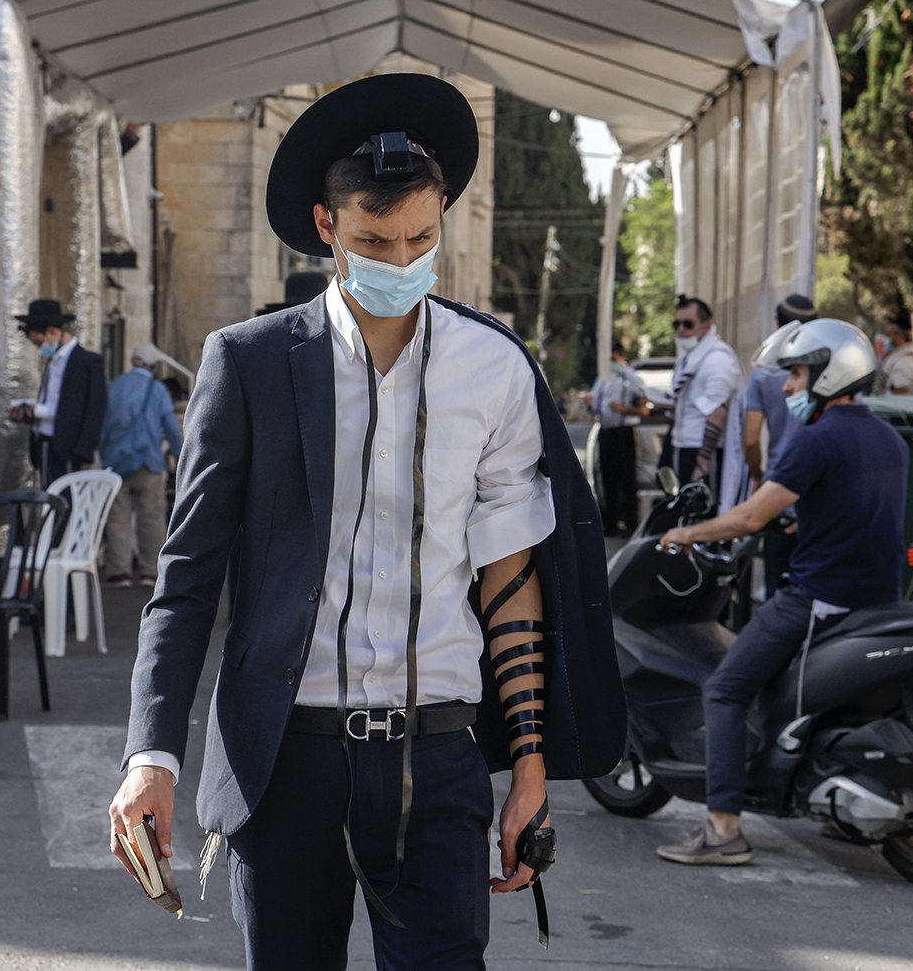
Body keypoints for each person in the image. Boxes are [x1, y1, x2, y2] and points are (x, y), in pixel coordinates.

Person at [108, 73, 622, 969]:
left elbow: (511, 577)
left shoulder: (494, 369)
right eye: (374, 240)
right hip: (286, 760)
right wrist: (150, 754)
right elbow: (186, 581)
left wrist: (531, 764)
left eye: (421, 236)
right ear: (326, 228)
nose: (400, 260)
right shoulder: (251, 364)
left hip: (438, 760)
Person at [654, 318, 906, 865]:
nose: (789, 386)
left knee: (723, 689)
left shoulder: (814, 440)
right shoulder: (888, 437)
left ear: (828, 373)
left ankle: (722, 830)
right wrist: (796, 521)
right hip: (876, 601)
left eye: (796, 373)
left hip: (818, 601)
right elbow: (853, 508)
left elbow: (747, 517)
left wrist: (685, 533)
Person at [742, 294, 817, 595]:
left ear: (777, 324)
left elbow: (750, 438)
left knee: (778, 587)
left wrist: (758, 475)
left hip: (779, 487)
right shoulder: (824, 373)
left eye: (795, 377)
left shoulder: (763, 374)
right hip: (814, 489)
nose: (789, 385)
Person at [99, 342, 184, 588]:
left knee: (117, 517)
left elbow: (103, 427)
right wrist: (179, 454)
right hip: (149, 461)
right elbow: (169, 425)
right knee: (152, 517)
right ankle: (150, 572)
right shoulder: (157, 390)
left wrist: (105, 454)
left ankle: (120, 572)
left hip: (116, 462)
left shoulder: (114, 387)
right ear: (154, 365)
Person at [10, 299, 107, 486]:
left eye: (39, 343)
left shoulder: (87, 362)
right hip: (45, 444)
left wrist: (83, 451)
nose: (40, 349)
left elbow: (94, 409)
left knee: (65, 502)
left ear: (52, 332)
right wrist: (28, 412)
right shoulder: (53, 362)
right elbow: (52, 402)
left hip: (68, 450)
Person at [663, 295, 743, 490]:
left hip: (705, 450)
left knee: (704, 511)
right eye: (677, 324)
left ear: (706, 325)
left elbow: (718, 411)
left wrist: (703, 461)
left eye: (688, 324)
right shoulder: (691, 357)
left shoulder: (717, 359)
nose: (681, 330)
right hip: (684, 444)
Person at [588, 342, 646, 535]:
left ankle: (630, 522)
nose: (611, 363)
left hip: (624, 431)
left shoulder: (630, 378)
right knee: (608, 477)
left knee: (627, 478)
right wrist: (590, 403)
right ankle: (610, 522)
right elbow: (596, 403)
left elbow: (642, 403)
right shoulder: (604, 379)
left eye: (613, 359)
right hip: (607, 431)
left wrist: (623, 409)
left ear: (621, 357)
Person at [874, 310, 913, 396]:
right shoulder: (899, 357)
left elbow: (901, 392)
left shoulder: (906, 361)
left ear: (901, 336)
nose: (887, 339)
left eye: (889, 334)